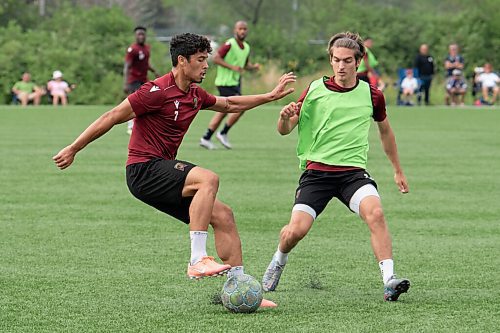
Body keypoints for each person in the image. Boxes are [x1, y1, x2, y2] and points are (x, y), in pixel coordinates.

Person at [53, 33, 295, 308]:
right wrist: (74, 148)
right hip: (143, 170)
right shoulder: (154, 92)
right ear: (182, 61)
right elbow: (111, 117)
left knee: (224, 215)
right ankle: (197, 259)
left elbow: (229, 104)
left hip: (161, 171)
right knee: (208, 179)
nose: (206, 66)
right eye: (201, 60)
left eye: (207, 59)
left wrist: (270, 96)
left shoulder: (194, 94)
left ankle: (240, 289)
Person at [261, 31, 410, 302]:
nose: (341, 66)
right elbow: (285, 130)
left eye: (347, 61)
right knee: (295, 231)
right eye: (336, 60)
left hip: (352, 174)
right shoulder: (315, 90)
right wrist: (284, 118)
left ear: (359, 62)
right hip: (317, 174)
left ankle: (389, 280)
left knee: (375, 213)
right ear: (330, 60)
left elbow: (386, 132)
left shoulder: (372, 95)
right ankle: (278, 260)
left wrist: (397, 169)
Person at [199, 21, 260, 150]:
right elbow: (216, 58)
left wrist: (253, 67)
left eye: (244, 29)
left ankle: (206, 137)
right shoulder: (229, 44)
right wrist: (232, 67)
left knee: (223, 111)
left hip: (235, 82)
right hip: (225, 82)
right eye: (240, 29)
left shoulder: (247, 47)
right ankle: (223, 133)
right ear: (235, 30)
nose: (242, 31)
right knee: (241, 106)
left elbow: (244, 64)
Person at [124, 26, 160, 134]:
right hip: (134, 80)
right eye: (139, 34)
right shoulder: (132, 49)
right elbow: (127, 67)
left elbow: (146, 63)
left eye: (142, 34)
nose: (141, 36)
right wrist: (125, 83)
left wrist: (155, 71)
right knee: (132, 103)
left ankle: (143, 124)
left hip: (143, 79)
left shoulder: (146, 48)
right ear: (135, 36)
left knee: (147, 101)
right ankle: (130, 126)